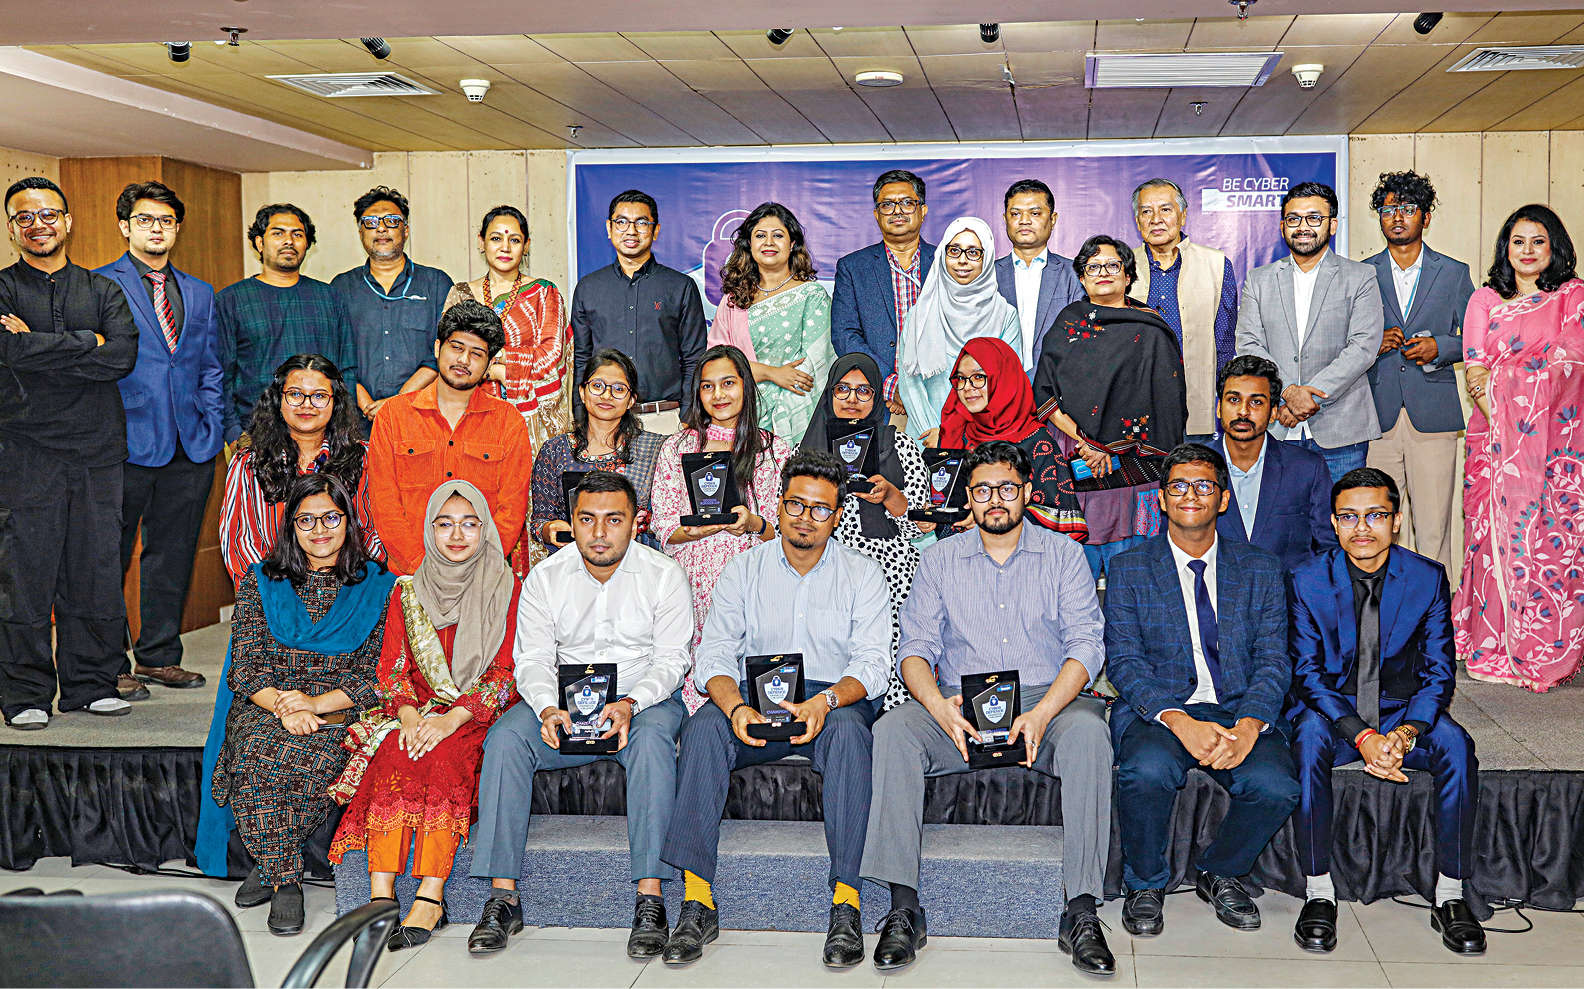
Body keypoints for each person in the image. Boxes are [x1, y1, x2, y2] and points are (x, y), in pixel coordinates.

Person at [861, 441, 1114, 977]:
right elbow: (914, 649)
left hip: (1047, 704)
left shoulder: (1064, 555)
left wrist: (1042, 712)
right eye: (982, 490)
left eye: (1006, 488)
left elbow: (1087, 646)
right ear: (968, 497)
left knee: (1091, 735)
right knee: (894, 730)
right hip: (961, 709)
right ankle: (903, 908)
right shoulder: (939, 560)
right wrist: (937, 706)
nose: (994, 499)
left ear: (1027, 491)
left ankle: (1081, 910)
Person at [659, 450, 892, 970]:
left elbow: (874, 664)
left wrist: (826, 701)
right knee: (703, 729)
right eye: (795, 505)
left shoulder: (863, 573)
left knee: (851, 735)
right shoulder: (744, 569)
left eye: (821, 509)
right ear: (779, 504)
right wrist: (734, 707)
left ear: (838, 515)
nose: (806, 518)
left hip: (831, 700)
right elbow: (715, 654)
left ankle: (847, 903)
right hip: (753, 696)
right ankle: (697, 900)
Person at [467, 472, 691, 959]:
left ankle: (650, 898)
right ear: (572, 521)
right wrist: (546, 707)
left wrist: (631, 703)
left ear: (637, 522)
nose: (600, 532)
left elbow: (672, 660)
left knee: (653, 742)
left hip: (641, 700)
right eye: (587, 520)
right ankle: (503, 898)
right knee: (506, 739)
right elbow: (531, 659)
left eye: (614, 520)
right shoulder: (546, 577)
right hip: (565, 702)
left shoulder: (664, 574)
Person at [1288, 468, 1484, 956]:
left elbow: (1439, 671)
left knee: (1457, 745)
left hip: (1401, 711)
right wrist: (1361, 736)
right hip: (1335, 714)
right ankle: (1318, 892)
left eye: (1376, 515)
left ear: (1396, 520)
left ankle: (1451, 893)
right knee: (1307, 741)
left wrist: (1408, 731)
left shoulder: (1426, 578)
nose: (1362, 528)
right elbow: (1307, 674)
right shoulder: (1306, 580)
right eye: (1349, 517)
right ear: (1333, 523)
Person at [1105, 444, 1299, 938]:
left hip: (1237, 708)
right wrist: (1179, 721)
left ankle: (1221, 871)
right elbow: (1124, 661)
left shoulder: (1260, 567)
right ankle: (1144, 883)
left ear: (1223, 499)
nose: (1190, 495)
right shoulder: (1129, 568)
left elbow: (1274, 658)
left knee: (1276, 787)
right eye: (1178, 486)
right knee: (1146, 772)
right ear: (1162, 499)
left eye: (1204, 485)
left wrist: (1250, 725)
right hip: (1162, 710)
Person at [329, 481, 519, 951]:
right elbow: (392, 668)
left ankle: (431, 897)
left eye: (469, 524)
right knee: (396, 748)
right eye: (444, 524)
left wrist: (451, 720)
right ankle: (381, 897)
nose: (456, 535)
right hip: (419, 710)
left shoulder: (507, 587)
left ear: (485, 529)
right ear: (429, 530)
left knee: (445, 753)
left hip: (478, 714)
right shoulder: (408, 591)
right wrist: (410, 716)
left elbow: (506, 672)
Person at [205, 473, 395, 936]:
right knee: (257, 750)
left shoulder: (379, 585)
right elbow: (246, 669)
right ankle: (286, 880)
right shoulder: (262, 581)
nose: (319, 530)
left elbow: (377, 674)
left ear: (349, 521)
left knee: (306, 755)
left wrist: (314, 704)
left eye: (331, 517)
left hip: (340, 704)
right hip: (268, 702)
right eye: (306, 520)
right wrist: (287, 707)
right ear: (290, 525)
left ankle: (271, 865)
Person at [0, 176, 138, 730]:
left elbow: (122, 356)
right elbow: (5, 351)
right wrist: (88, 342)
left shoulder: (102, 290)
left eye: (49, 215)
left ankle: (91, 684)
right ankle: (25, 693)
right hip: (23, 453)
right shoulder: (2, 289)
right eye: (25, 217)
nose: (39, 225)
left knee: (95, 569)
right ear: (12, 229)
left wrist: (33, 347)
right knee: (25, 576)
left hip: (97, 451)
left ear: (68, 222)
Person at [98, 180, 222, 695]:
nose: (157, 229)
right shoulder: (99, 284)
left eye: (166, 221)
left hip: (190, 444)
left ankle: (159, 656)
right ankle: (109, 664)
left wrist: (211, 421)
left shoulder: (198, 291)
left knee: (172, 554)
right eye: (145, 220)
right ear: (125, 226)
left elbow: (210, 365)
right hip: (122, 443)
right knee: (107, 556)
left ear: (177, 229)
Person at [1456, 204, 1584, 692]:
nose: (1527, 251)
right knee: (1489, 538)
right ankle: (1492, 645)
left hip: (1558, 445)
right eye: (1518, 241)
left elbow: (1574, 360)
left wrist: (1527, 425)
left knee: (1552, 538)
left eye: (1538, 241)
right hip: (1493, 440)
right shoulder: (1485, 299)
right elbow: (1476, 369)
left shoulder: (1571, 298)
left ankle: (1547, 645)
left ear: (1555, 248)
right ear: (1505, 248)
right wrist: (1509, 432)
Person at [1034, 235, 1187, 579]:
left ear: (1128, 275)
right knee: (1074, 577)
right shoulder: (1067, 324)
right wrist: (1088, 442)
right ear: (1082, 277)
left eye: (1112, 265)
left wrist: (1110, 445)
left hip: (1135, 468)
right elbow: (1045, 392)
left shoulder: (1150, 328)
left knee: (1134, 576)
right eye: (1093, 267)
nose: (1103, 272)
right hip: (1079, 463)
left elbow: (1166, 401)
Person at [651, 344, 790, 711]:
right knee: (699, 690)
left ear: (745, 385)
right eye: (707, 386)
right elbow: (664, 524)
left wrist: (752, 523)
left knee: (755, 684)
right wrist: (694, 531)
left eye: (728, 383)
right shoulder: (676, 447)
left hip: (753, 582)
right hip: (692, 582)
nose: (718, 395)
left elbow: (783, 530)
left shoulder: (773, 449)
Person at [797, 354, 930, 710]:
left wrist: (890, 495)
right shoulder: (806, 451)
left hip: (891, 571)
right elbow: (790, 523)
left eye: (863, 391)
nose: (852, 399)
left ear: (875, 398)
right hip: (824, 569)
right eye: (842, 389)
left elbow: (919, 524)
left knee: (891, 655)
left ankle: (891, 724)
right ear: (829, 394)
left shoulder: (899, 445)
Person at [444, 205, 571, 571]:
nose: (505, 247)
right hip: (472, 420)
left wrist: (495, 369)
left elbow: (551, 357)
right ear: (481, 242)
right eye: (496, 238)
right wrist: (496, 366)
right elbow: (452, 358)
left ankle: (533, 594)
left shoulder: (544, 294)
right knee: (476, 502)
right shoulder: (461, 295)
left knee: (533, 506)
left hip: (532, 425)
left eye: (514, 240)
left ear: (526, 245)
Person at [366, 301, 532, 575]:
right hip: (410, 577)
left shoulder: (509, 422)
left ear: (490, 363)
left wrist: (474, 570)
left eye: (477, 354)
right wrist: (421, 568)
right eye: (456, 347)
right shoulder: (393, 416)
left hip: (481, 577)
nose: (464, 360)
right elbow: (385, 506)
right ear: (437, 348)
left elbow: (511, 512)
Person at [1362, 172, 1475, 574]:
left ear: (1425, 217)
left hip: (1434, 415)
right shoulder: (1361, 273)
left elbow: (1478, 339)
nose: (1397, 217)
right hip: (1376, 416)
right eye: (1388, 209)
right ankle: (1380, 606)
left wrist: (1440, 347)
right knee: (1376, 524)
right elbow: (1344, 341)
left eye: (1408, 209)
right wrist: (1373, 344)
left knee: (1433, 529)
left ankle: (1436, 611)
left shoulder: (1454, 272)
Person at [1235, 181, 1385, 482]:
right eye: (1293, 219)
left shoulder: (1361, 277)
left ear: (1332, 225)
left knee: (1342, 512)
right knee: (1281, 512)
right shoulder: (1259, 280)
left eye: (1314, 218)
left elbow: (1363, 347)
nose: (1303, 227)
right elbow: (1248, 343)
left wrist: (1310, 397)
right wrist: (1288, 392)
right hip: (1277, 426)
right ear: (1282, 227)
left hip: (1342, 430)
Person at [219, 354, 384, 587]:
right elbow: (239, 543)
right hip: (274, 595)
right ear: (278, 399)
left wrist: (353, 591)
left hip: (351, 592)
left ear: (335, 402)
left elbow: (375, 536)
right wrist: (275, 596)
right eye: (295, 394)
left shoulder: (364, 458)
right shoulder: (248, 462)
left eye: (319, 396)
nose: (307, 404)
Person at [218, 203, 358, 444]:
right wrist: (234, 434)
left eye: (297, 234)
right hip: (256, 435)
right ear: (259, 243)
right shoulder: (231, 300)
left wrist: (344, 428)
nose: (289, 241)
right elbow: (220, 376)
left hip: (324, 436)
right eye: (278, 233)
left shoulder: (330, 297)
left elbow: (347, 370)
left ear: (307, 244)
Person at [571, 189, 706, 434]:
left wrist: (687, 417)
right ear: (609, 228)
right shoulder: (588, 288)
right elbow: (582, 358)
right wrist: (581, 417)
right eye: (621, 222)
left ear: (656, 230)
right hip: (604, 419)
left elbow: (694, 358)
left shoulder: (680, 287)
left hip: (664, 419)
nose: (631, 231)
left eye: (641, 223)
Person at [708, 202, 834, 444]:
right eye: (760, 236)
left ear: (792, 243)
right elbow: (718, 366)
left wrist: (780, 407)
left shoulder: (812, 296)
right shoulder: (733, 301)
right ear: (749, 244)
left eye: (778, 235)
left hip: (797, 417)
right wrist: (772, 374)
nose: (768, 242)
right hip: (741, 415)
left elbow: (813, 366)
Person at [940, 338, 1087, 540]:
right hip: (964, 554)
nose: (967, 387)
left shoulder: (1037, 441)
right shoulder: (958, 434)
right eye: (961, 378)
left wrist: (986, 517)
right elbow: (949, 503)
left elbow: (1057, 517)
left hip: (1024, 556)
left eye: (979, 377)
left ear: (1003, 378)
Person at [329, 186, 450, 428]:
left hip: (424, 417)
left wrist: (397, 402)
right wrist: (365, 403)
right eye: (371, 222)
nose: (381, 228)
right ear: (360, 232)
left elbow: (445, 352)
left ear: (406, 230)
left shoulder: (436, 283)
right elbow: (334, 355)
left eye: (392, 221)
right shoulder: (341, 287)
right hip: (357, 419)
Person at [1129, 178, 1238, 441]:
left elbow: (1225, 344)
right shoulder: (1120, 266)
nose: (1156, 219)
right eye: (1146, 211)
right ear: (1138, 220)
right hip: (1135, 409)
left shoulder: (1216, 264)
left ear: (1183, 215)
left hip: (1197, 407)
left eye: (1165, 209)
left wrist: (1224, 397)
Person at [896, 216, 1020, 444]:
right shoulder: (919, 315)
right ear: (942, 255)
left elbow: (1007, 383)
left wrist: (958, 434)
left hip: (983, 439)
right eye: (954, 251)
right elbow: (909, 382)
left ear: (987, 258)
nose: (962, 260)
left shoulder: (1005, 315)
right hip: (927, 439)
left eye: (973, 252)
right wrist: (933, 432)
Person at [530, 348, 664, 554]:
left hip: (635, 558)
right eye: (597, 386)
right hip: (573, 559)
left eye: (619, 389)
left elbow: (668, 518)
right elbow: (539, 522)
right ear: (582, 393)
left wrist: (642, 523)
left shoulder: (655, 449)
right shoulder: (554, 451)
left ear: (631, 400)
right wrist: (549, 530)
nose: (606, 395)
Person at [1213, 354, 1336, 572]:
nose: (1243, 411)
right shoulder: (1194, 467)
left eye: (1256, 402)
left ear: (1273, 413)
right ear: (1218, 408)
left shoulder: (1307, 468)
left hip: (1288, 591)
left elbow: (1327, 549)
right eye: (1233, 400)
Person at [831, 170, 936, 420]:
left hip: (939, 397)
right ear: (876, 214)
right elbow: (845, 335)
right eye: (887, 205)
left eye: (907, 203)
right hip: (880, 400)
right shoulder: (853, 268)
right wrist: (892, 385)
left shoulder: (946, 262)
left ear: (922, 211)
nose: (897, 211)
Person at [994, 178, 1084, 374]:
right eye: (1015, 214)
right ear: (1005, 219)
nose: (1024, 220)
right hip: (999, 383)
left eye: (1035, 213)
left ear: (1052, 219)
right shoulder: (988, 276)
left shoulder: (1074, 274)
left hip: (1057, 383)